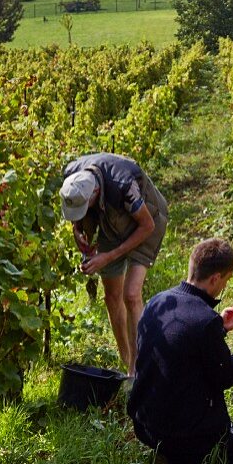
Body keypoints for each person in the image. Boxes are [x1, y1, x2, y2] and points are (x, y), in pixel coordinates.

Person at [127, 238, 233, 464]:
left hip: (145, 425)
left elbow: (180, 347)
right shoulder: (204, 321)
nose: (225, 285)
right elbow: (227, 375)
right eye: (227, 279)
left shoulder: (158, 302)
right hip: (185, 434)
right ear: (215, 278)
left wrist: (221, 327)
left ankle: (167, 454)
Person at [60, 153, 169, 373]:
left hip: (148, 221)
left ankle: (137, 371)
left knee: (130, 294)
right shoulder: (71, 177)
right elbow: (78, 216)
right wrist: (79, 232)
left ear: (96, 193)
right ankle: (126, 358)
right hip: (111, 220)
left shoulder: (123, 186)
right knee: (111, 296)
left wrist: (107, 256)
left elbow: (146, 226)